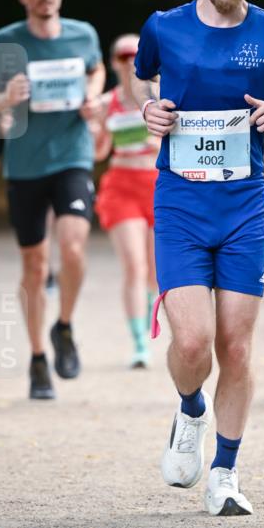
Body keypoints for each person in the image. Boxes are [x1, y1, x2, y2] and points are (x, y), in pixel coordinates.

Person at [133, 0, 264, 516]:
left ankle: (225, 473)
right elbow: (141, 82)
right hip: (181, 202)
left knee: (235, 346)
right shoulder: (164, 26)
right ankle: (191, 410)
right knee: (193, 343)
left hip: (244, 205)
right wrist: (149, 109)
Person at [0, 0, 105, 399]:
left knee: (73, 247)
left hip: (72, 155)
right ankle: (36, 358)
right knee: (33, 264)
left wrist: (91, 97)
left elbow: (96, 70)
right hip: (26, 163)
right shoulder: (7, 40)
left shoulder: (82, 33)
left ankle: (63, 326)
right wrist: (5, 98)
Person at [93, 34, 159, 368]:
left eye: (136, 53)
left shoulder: (162, 96)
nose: (130, 60)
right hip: (121, 186)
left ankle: (147, 312)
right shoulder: (107, 103)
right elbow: (99, 153)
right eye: (123, 55)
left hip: (158, 185)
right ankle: (139, 344)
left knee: (154, 272)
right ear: (113, 63)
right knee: (134, 265)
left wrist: (158, 138)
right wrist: (96, 129)